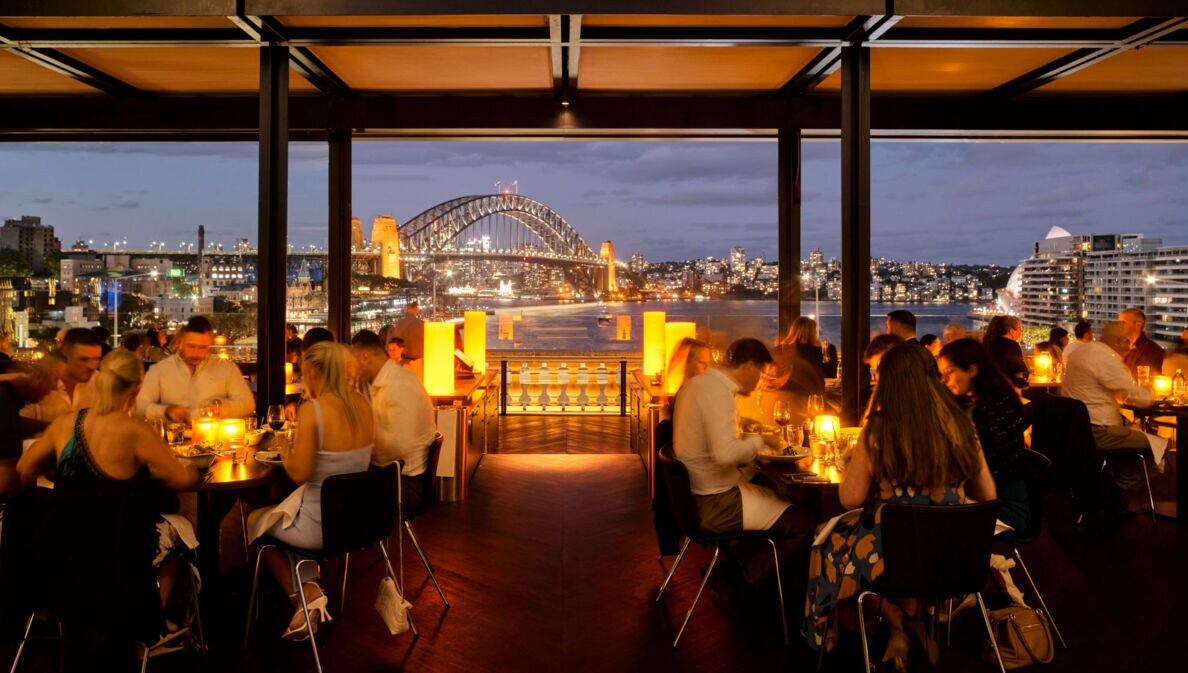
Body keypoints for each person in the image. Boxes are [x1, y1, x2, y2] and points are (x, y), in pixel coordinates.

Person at [803, 344, 996, 665]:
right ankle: (909, 625)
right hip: (954, 555)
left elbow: (850, 498)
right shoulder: (962, 426)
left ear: (887, 382)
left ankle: (893, 620)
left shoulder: (878, 431)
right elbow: (988, 496)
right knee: (905, 550)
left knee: (825, 542)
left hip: (888, 557)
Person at [17, 349, 200, 646]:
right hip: (120, 553)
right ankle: (147, 626)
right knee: (182, 534)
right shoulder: (135, 430)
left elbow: (25, 469)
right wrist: (180, 469)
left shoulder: (66, 423)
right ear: (137, 387)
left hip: (64, 550)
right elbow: (181, 479)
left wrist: (62, 474)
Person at [247, 343, 374, 641]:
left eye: (305, 375)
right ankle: (310, 591)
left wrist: (283, 448)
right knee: (286, 513)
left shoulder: (314, 411)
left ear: (316, 372)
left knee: (255, 521)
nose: (305, 382)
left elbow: (299, 473)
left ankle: (303, 599)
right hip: (357, 522)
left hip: (320, 527)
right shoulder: (365, 405)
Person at [673, 337, 814, 588]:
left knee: (774, 493)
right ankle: (740, 583)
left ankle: (741, 573)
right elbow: (725, 454)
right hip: (715, 504)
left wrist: (747, 432)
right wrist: (760, 442)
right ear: (750, 366)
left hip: (697, 496)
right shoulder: (718, 393)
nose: (761, 381)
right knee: (804, 523)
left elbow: (713, 442)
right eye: (761, 373)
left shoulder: (699, 385)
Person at [938, 338, 1030, 531]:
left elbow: (983, 462)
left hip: (1004, 506)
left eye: (948, 372)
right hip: (980, 495)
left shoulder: (997, 405)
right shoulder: (971, 401)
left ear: (972, 370)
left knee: (931, 513)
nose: (943, 380)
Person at [1062, 333, 1159, 512]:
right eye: (1128, 343)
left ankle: (1106, 485)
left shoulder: (1080, 352)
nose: (1130, 349)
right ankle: (1115, 490)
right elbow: (1138, 397)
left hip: (1075, 430)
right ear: (1117, 342)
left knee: (1131, 438)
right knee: (1160, 446)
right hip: (1099, 432)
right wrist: (1155, 397)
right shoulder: (1107, 359)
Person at [350, 329, 437, 509]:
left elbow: (398, 446)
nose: (351, 370)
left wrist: (358, 440)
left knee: (336, 491)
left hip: (406, 484)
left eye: (352, 362)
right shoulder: (388, 381)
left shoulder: (398, 384)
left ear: (365, 357)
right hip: (397, 475)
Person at [135, 316, 254, 421]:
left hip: (216, 441)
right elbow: (139, 406)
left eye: (202, 347)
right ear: (181, 342)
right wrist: (166, 411)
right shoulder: (160, 370)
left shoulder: (226, 368)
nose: (196, 353)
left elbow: (248, 404)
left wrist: (221, 406)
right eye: (191, 346)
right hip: (172, 441)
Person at [0, 363, 57, 496]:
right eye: (54, 379)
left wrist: (55, 426)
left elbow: (16, 424)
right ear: (36, 377)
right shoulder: (5, 403)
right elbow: (6, 471)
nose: (54, 388)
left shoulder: (9, 399)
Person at [772, 316, 826, 398]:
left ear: (793, 331)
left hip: (788, 395)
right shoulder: (817, 351)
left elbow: (777, 373)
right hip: (814, 396)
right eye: (815, 332)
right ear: (812, 333)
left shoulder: (785, 348)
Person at [983, 315, 1029, 390]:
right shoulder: (1012, 345)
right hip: (1004, 391)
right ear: (1011, 331)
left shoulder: (988, 342)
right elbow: (1019, 374)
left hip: (986, 390)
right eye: (1020, 328)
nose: (1021, 331)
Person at [1118, 307, 1164, 378]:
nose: (1119, 326)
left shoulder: (1151, 350)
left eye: (1123, 322)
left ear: (1138, 324)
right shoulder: (1122, 345)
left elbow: (1144, 380)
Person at [391, 301, 425, 379]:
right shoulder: (421, 323)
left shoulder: (399, 323)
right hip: (418, 359)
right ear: (415, 309)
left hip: (403, 359)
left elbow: (395, 341)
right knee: (418, 382)